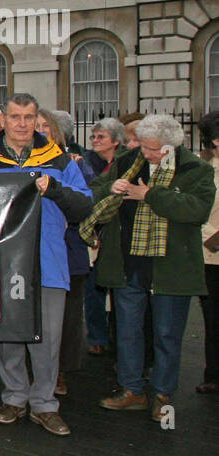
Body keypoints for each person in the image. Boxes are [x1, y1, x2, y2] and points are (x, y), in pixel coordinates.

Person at [0, 93, 92, 436]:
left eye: (28, 117)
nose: (22, 124)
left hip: (49, 262)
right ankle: (14, 398)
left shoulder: (59, 160)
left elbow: (85, 205)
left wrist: (53, 188)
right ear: (4, 119)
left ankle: (44, 403)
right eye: (15, 117)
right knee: (9, 333)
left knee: (48, 338)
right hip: (4, 264)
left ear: (36, 119)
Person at [89, 114, 214, 421]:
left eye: (153, 149)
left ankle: (162, 394)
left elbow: (196, 210)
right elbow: (94, 188)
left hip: (171, 267)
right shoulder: (129, 159)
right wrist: (112, 188)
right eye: (143, 146)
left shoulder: (195, 169)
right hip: (128, 262)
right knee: (128, 332)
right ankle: (131, 389)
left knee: (167, 334)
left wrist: (149, 195)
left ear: (172, 146)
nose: (146, 154)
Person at [38, 109, 97, 398]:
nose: (39, 130)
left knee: (68, 318)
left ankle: (60, 371)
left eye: (44, 126)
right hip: (36, 253)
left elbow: (86, 204)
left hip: (69, 251)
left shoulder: (72, 162)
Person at [84, 117, 125, 356]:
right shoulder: (88, 162)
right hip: (95, 235)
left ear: (116, 141)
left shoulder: (123, 163)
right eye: (93, 136)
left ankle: (114, 338)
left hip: (114, 236)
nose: (95, 141)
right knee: (94, 290)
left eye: (101, 137)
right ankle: (97, 337)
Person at [197, 111, 219, 395]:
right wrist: (212, 238)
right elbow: (194, 209)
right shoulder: (204, 171)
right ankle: (214, 374)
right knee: (213, 319)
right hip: (211, 256)